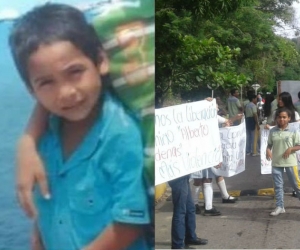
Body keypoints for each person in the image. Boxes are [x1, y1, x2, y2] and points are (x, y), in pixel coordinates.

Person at [9, 4, 150, 250]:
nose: (65, 92)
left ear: (101, 61)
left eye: (75, 72)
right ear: (31, 90)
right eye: (46, 82)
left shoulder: (119, 134)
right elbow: (50, 200)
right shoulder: (45, 135)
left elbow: (130, 223)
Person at [265, 91, 300, 198]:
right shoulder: (276, 112)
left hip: (292, 146)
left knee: (295, 174)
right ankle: (279, 197)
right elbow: (274, 125)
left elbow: (298, 126)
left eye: (281, 99)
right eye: (278, 99)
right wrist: (268, 126)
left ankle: (296, 190)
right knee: (277, 176)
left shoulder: (294, 113)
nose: (279, 101)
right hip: (279, 149)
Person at [168, 175, 208, 249]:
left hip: (183, 176)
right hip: (178, 176)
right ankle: (177, 245)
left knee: (190, 208)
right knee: (180, 211)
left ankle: (190, 237)